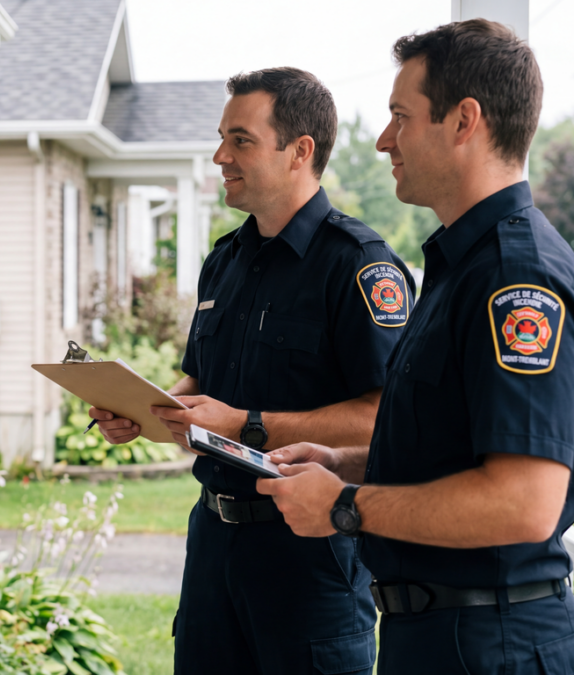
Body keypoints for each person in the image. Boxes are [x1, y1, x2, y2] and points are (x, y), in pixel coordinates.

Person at [257, 19, 574, 674]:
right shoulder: (463, 267)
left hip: (490, 641)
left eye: (401, 116)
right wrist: (346, 462)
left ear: (464, 121)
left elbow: (524, 502)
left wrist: (344, 507)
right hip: (440, 633)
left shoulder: (515, 278)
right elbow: (451, 446)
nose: (383, 139)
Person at [91, 68, 415, 674]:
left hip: (309, 553)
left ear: (300, 151)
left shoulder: (360, 265)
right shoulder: (224, 261)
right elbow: (198, 385)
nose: (220, 156)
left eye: (240, 140)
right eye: (222, 139)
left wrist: (245, 424)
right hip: (213, 544)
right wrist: (139, 409)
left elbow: (387, 420)